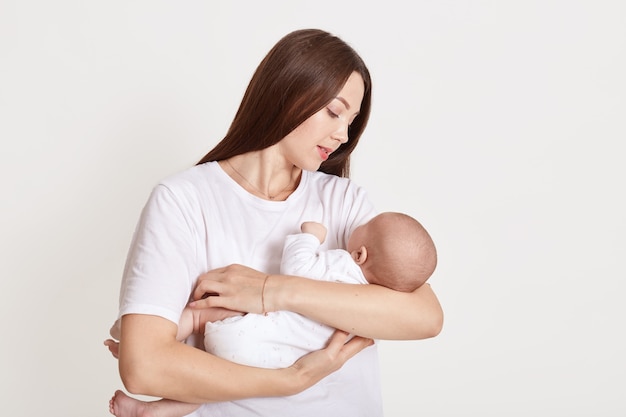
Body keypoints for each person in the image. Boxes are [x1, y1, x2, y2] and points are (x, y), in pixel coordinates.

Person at [105, 28, 443, 417]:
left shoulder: (343, 200)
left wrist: (273, 291)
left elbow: (426, 317)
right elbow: (144, 366)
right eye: (334, 111)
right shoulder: (183, 200)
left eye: (351, 121)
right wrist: (292, 380)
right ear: (288, 92)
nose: (342, 134)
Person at [107, 212, 437, 417]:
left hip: (246, 332)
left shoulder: (343, 266)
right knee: (204, 396)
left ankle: (144, 335)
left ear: (360, 253)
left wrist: (310, 237)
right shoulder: (372, 306)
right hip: (272, 362)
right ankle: (154, 411)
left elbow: (297, 268)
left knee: (197, 318)